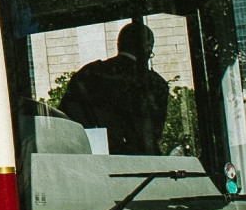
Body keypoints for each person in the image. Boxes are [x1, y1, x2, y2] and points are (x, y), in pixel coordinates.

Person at [57, 22, 170, 155]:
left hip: (95, 160)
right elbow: (152, 133)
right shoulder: (155, 83)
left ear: (119, 44)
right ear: (147, 48)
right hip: (143, 163)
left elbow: (65, 121)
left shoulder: (89, 74)